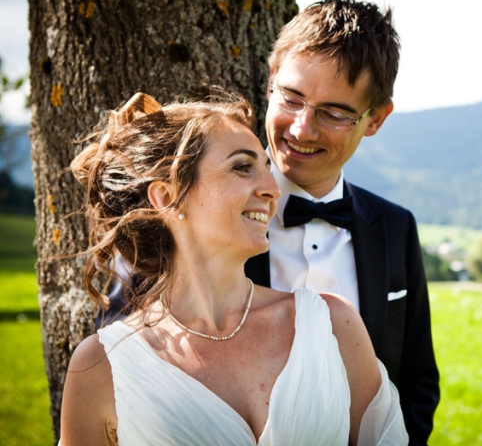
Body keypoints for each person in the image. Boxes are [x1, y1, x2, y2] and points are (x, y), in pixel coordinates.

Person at [61, 92, 408, 445]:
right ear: (167, 197)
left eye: (267, 168)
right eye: (243, 167)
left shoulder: (333, 325)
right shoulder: (101, 366)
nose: (273, 189)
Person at [244, 0, 440, 445]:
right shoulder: (214, 213)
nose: (301, 129)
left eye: (333, 113)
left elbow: (416, 379)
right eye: (292, 98)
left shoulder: (396, 227)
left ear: (375, 119)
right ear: (272, 80)